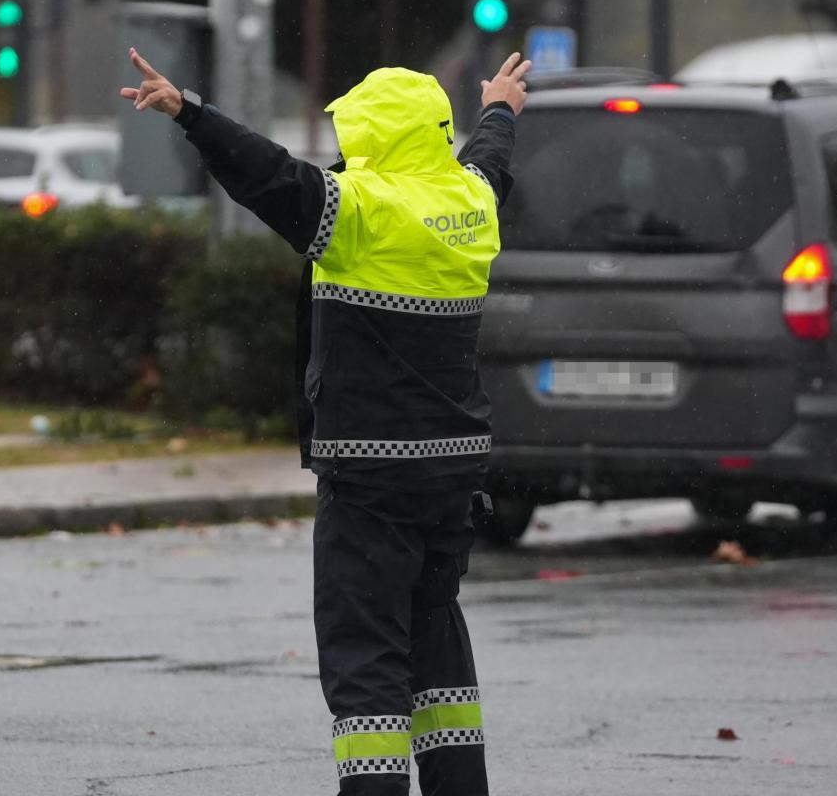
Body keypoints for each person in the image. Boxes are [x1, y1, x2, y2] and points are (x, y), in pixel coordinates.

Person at [120, 48, 530, 796]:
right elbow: (487, 161)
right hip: (453, 474)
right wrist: (499, 109)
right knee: (435, 638)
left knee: (365, 652)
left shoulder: (354, 212)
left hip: (370, 476)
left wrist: (192, 115)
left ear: (373, 137)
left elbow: (267, 174)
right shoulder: (470, 203)